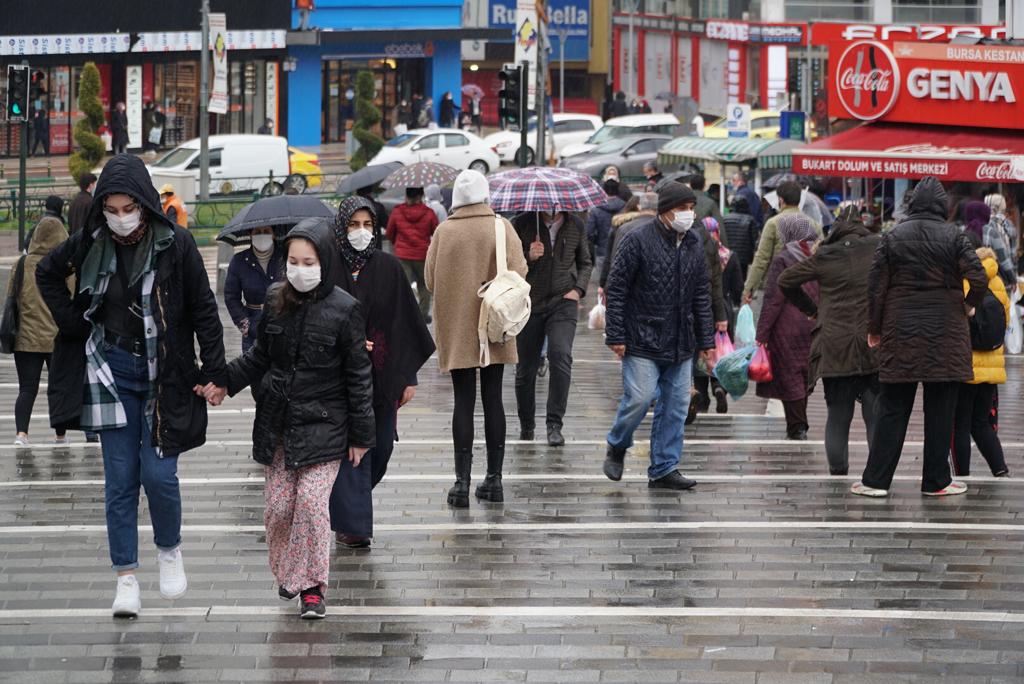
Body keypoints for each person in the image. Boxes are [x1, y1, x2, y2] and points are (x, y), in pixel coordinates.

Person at [36, 154, 226, 618]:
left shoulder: (176, 244)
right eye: (112, 209)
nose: (121, 219)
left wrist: (216, 372)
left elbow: (203, 309)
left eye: (129, 208)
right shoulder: (90, 241)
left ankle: (169, 549)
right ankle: (125, 577)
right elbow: (46, 273)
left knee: (159, 476)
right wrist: (74, 324)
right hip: (111, 369)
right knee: (120, 481)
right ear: (102, 207)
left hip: (167, 374)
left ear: (144, 203)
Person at [202, 218, 375, 619]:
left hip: (326, 424)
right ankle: (289, 572)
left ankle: (312, 587)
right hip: (279, 422)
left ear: (324, 261)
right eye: (293, 260)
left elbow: (358, 375)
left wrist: (362, 435)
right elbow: (260, 356)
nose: (300, 268)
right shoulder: (277, 297)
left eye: (308, 261)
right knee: (279, 509)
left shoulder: (346, 310)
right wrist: (225, 382)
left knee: (313, 505)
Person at [852, 176, 988, 498]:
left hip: (902, 333)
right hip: (946, 335)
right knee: (941, 411)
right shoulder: (954, 237)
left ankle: (876, 481)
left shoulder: (893, 236)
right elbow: (978, 277)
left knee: (892, 409)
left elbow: (876, 287)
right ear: (944, 206)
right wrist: (968, 306)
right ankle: (936, 481)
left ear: (911, 204)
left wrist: (874, 328)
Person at [327, 197, 435, 548]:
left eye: (367, 225)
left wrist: (408, 377)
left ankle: (346, 503)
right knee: (351, 453)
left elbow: (405, 321)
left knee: (382, 448)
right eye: (353, 225)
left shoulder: (388, 268)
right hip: (339, 380)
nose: (361, 232)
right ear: (341, 229)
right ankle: (353, 526)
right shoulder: (328, 268)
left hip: (383, 377)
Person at [602, 181, 715, 490]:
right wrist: (616, 334)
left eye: (691, 209)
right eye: (682, 209)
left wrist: (707, 341)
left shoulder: (693, 242)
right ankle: (618, 443)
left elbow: (701, 295)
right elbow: (617, 289)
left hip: (680, 340)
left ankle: (664, 467)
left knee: (677, 406)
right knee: (638, 398)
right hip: (641, 336)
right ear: (665, 211)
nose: (688, 215)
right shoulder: (637, 239)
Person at [425, 170, 528, 507]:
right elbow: (520, 272)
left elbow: (429, 281)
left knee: (463, 401)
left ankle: (460, 485)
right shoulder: (502, 227)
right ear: (485, 195)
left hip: (458, 327)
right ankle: (494, 482)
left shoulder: (444, 231)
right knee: (493, 398)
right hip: (495, 325)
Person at [778, 206, 880, 473]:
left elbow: (786, 280)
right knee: (874, 412)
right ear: (862, 224)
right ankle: (876, 472)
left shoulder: (826, 254)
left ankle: (838, 473)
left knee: (838, 413)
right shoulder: (876, 248)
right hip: (872, 341)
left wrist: (812, 309)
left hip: (834, 342)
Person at [512, 208, 593, 446]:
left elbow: (586, 262)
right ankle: (527, 424)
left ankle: (554, 424)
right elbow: (507, 264)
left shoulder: (575, 224)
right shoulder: (521, 224)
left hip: (562, 302)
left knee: (560, 355)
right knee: (525, 368)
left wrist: (577, 290)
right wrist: (528, 257)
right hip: (529, 302)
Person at [754, 212, 819, 440]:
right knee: (803, 376)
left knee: (790, 377)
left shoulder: (783, 258)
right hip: (812, 324)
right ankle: (799, 424)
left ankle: (798, 427)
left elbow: (774, 298)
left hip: (786, 326)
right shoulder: (818, 254)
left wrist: (762, 333)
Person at [8, 212, 70, 447]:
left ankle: (21, 434)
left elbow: (12, 298)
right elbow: (73, 299)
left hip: (26, 338)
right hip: (57, 338)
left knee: (27, 388)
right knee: (59, 388)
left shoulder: (21, 264)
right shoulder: (65, 265)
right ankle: (60, 435)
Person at [952, 246, 1010, 478]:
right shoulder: (999, 285)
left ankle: (961, 475)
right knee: (981, 423)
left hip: (967, 366)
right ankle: (999, 467)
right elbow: (1004, 322)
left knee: (960, 426)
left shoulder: (966, 282)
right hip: (993, 368)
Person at [743, 181, 822, 303]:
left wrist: (749, 288)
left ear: (781, 200)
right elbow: (821, 257)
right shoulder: (814, 225)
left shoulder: (773, 223)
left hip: (778, 285)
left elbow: (762, 259)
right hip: (807, 287)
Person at [223, 226, 285, 353]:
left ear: (274, 234)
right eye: (257, 232)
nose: (262, 235)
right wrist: (245, 324)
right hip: (253, 326)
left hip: (283, 323)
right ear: (250, 234)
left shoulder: (285, 257)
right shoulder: (239, 261)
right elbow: (231, 296)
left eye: (266, 231)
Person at [386, 186, 440, 322]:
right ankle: (422, 314)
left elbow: (389, 233)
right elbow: (437, 233)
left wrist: (398, 245)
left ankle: (404, 313)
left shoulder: (397, 211)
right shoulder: (429, 213)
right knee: (423, 285)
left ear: (406, 195)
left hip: (402, 255)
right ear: (421, 196)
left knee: (403, 285)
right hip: (422, 254)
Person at [599, 192, 658, 294]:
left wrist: (604, 284)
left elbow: (612, 258)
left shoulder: (622, 227)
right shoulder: (664, 229)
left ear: (640, 206)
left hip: (625, 287)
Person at [966, 200, 1016, 288]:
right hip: (990, 282)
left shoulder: (961, 230)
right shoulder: (991, 232)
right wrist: (1012, 279)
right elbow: (1003, 259)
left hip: (967, 281)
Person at [585, 179, 626, 276]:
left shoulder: (596, 209)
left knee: (602, 284)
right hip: (621, 250)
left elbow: (589, 232)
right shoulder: (625, 207)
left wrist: (597, 241)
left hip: (601, 251)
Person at [721, 196, 759, 283]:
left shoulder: (724, 218)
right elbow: (755, 240)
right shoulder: (750, 220)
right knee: (741, 279)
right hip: (744, 257)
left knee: (727, 279)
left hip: (727, 254)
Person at [985, 193, 1017, 266]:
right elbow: (1013, 254)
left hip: (992, 269)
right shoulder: (1010, 224)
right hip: (1008, 270)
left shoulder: (987, 223)